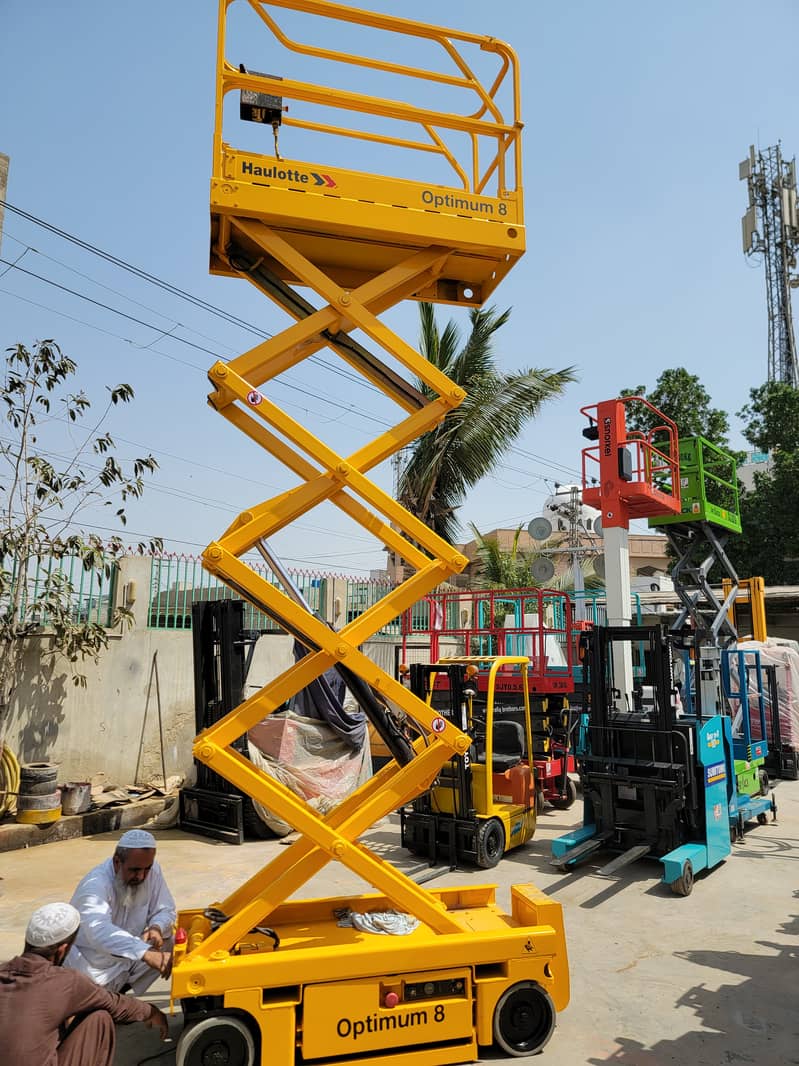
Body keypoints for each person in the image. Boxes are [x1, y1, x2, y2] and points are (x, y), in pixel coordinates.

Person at [0, 901, 168, 1066]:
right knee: (100, 1019)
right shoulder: (65, 981)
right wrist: (152, 1012)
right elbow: (115, 1004)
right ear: (63, 949)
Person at [65, 828, 177, 994]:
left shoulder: (150, 870)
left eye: (147, 869)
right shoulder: (94, 886)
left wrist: (156, 927)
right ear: (117, 862)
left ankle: (119, 993)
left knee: (170, 941)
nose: (141, 876)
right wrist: (145, 952)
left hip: (126, 958)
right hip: (92, 968)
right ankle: (105, 1000)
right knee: (97, 1016)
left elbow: (166, 909)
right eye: (135, 870)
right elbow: (99, 932)